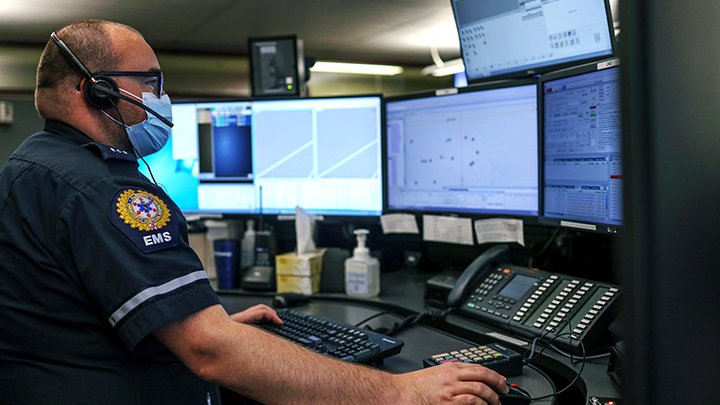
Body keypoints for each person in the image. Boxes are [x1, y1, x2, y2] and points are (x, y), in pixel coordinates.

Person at [0, 20, 510, 405]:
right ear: (98, 89)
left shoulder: (31, 166)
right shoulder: (101, 189)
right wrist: (398, 393)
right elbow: (211, 353)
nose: (162, 97)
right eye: (151, 82)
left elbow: (65, 311)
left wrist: (186, 320)